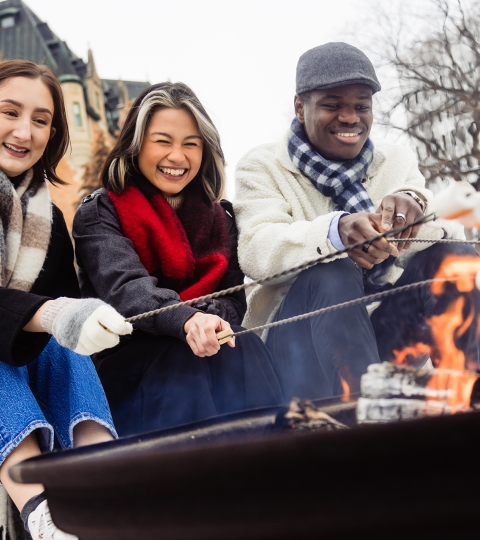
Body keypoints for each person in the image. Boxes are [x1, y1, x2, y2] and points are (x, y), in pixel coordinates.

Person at [234, 42, 475, 402]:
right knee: (334, 269)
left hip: (382, 335)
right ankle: (366, 425)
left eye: (361, 106)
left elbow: (448, 243)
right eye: (332, 105)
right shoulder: (261, 165)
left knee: (452, 257)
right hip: (298, 353)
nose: (350, 118)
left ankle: (469, 393)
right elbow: (256, 249)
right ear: (301, 107)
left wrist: (415, 209)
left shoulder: (396, 160)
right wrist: (336, 232)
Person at [73, 82, 282, 436]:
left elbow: (232, 300)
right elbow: (126, 290)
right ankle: (190, 478)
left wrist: (209, 324)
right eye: (163, 141)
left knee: (242, 345)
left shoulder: (222, 219)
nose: (177, 157)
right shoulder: (100, 212)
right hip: (129, 360)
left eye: (191, 144)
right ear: (136, 146)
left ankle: (272, 463)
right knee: (180, 357)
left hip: (205, 352)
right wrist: (186, 321)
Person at [0, 59, 133, 540]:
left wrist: (76, 319)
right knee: (47, 319)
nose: (24, 131)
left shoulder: (47, 219)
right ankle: (48, 522)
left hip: (23, 370)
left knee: (64, 336)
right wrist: (49, 313)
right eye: (9, 112)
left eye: (41, 120)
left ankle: (102, 492)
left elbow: (58, 317)